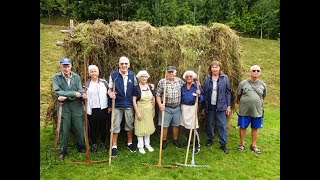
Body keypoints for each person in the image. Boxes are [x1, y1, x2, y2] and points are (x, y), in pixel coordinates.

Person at [52, 58, 86, 160]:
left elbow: (80, 91)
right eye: (64, 66)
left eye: (68, 66)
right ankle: (63, 151)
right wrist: (73, 94)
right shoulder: (56, 77)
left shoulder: (77, 77)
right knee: (64, 129)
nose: (66, 68)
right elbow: (58, 91)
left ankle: (81, 147)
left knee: (79, 128)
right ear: (61, 66)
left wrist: (68, 95)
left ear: (71, 66)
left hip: (76, 106)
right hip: (64, 106)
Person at [107, 56, 138, 157]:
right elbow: (110, 89)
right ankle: (114, 146)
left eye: (126, 63)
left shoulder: (132, 75)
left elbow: (135, 88)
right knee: (115, 126)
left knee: (129, 125)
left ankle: (130, 144)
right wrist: (110, 94)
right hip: (117, 104)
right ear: (119, 65)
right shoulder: (114, 75)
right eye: (122, 64)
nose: (124, 65)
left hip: (128, 103)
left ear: (129, 65)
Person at [202, 60, 231, 154]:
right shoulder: (207, 78)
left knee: (222, 125)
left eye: (216, 67)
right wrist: (203, 107)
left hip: (221, 106)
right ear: (210, 69)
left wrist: (228, 106)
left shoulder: (224, 78)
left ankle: (223, 143)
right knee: (210, 124)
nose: (214, 69)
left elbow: (228, 92)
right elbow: (204, 93)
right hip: (210, 105)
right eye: (213, 67)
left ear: (220, 68)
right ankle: (210, 139)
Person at [236, 65, 266, 154]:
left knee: (255, 128)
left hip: (257, 111)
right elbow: (238, 95)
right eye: (253, 70)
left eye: (257, 70)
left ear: (260, 72)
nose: (255, 72)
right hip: (244, 110)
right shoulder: (243, 83)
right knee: (243, 127)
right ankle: (242, 144)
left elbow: (263, 96)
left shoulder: (263, 84)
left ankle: (254, 145)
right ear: (250, 72)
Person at [155, 66, 185, 150]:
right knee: (164, 126)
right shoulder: (162, 82)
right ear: (166, 73)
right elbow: (157, 94)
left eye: (172, 72)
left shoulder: (179, 81)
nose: (171, 73)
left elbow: (187, 87)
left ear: (175, 72)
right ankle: (164, 141)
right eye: (169, 72)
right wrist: (160, 104)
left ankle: (175, 140)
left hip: (177, 108)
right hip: (166, 108)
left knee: (176, 125)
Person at [83, 65, 110, 152]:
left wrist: (109, 106)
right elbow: (82, 95)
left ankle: (103, 142)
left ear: (98, 72)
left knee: (103, 126)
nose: (93, 73)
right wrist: (83, 96)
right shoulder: (86, 84)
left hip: (103, 108)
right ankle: (94, 143)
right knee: (93, 127)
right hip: (92, 108)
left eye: (95, 71)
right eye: (91, 71)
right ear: (89, 73)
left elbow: (109, 93)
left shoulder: (104, 82)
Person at [180, 70, 205, 154]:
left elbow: (202, 99)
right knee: (185, 126)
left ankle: (197, 144)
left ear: (193, 77)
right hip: (184, 108)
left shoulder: (197, 86)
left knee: (193, 127)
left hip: (193, 108)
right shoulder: (183, 86)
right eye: (187, 77)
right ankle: (188, 141)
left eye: (190, 76)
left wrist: (199, 94)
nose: (189, 78)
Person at [132, 70, 156, 154]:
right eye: (142, 76)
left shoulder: (150, 86)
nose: (144, 78)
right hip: (140, 109)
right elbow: (134, 100)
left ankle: (147, 144)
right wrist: (137, 112)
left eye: (145, 76)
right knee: (140, 128)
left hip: (149, 110)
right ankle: (140, 146)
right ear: (139, 78)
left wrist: (153, 109)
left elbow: (153, 98)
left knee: (148, 127)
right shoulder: (136, 88)